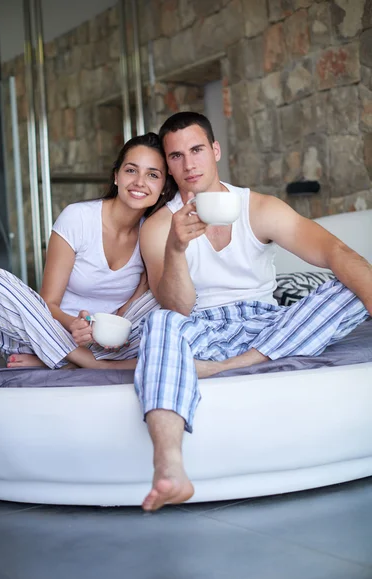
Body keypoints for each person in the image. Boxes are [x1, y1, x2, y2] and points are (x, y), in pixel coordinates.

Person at [135, 112, 372, 511]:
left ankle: (230, 366)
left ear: (215, 150)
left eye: (196, 150)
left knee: (347, 284)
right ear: (169, 165)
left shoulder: (259, 207)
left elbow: (336, 252)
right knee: (159, 323)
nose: (189, 164)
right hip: (203, 329)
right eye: (176, 156)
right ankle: (170, 466)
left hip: (268, 324)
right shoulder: (159, 226)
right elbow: (176, 308)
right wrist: (176, 248)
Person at [0, 132, 173, 370]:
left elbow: (133, 305)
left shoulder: (152, 233)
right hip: (49, 331)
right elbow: (48, 302)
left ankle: (63, 360)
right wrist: (74, 325)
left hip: (108, 345)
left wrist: (110, 331)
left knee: (168, 295)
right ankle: (82, 360)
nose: (140, 182)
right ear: (116, 176)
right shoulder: (77, 217)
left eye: (152, 175)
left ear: (162, 187)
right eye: (131, 170)